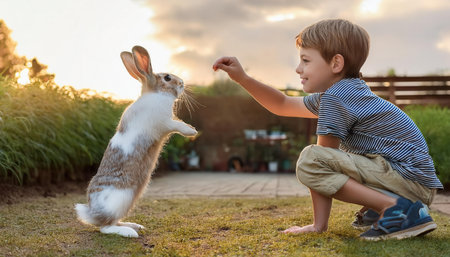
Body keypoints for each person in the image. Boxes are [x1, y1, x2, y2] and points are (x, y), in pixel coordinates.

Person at [212, 19, 443, 240]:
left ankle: (396, 209)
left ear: (336, 64)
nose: (297, 69)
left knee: (310, 158)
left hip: (407, 179)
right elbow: (281, 104)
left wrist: (318, 226)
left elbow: (320, 161)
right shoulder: (347, 92)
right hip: (415, 182)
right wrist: (242, 78)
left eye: (305, 60)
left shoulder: (336, 98)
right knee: (318, 158)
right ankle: (393, 205)